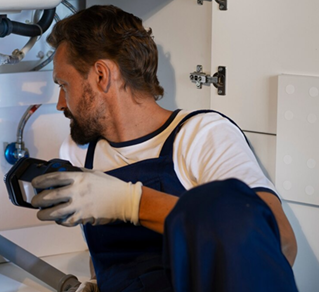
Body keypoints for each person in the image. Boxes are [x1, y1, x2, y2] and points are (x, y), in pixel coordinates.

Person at [29, 5, 298, 292]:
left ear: (101, 75)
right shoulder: (79, 152)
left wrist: (130, 202)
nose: (60, 103)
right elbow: (112, 257)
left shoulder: (201, 135)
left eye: (63, 85)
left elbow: (279, 242)